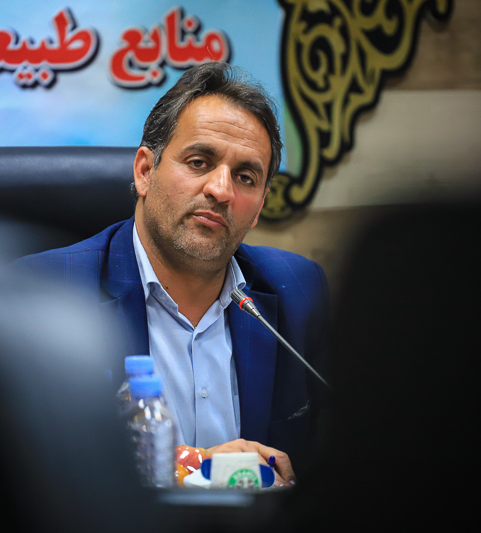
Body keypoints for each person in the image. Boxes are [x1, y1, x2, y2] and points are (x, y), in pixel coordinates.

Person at [17, 62, 329, 485]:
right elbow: (29, 460)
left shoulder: (300, 291)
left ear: (259, 206)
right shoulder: (45, 292)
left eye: (245, 177)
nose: (221, 190)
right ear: (145, 172)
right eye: (199, 162)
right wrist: (196, 467)